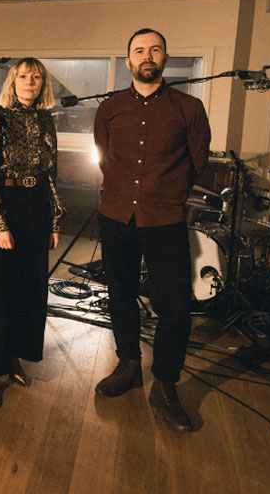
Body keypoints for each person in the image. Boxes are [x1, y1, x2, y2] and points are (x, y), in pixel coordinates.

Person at [93, 28, 211, 432]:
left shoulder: (189, 108)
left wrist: (165, 193)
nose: (147, 56)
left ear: (165, 58)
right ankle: (128, 365)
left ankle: (164, 384)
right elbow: (104, 157)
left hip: (165, 218)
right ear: (128, 61)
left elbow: (197, 162)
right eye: (139, 50)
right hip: (116, 216)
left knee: (174, 306)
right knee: (120, 295)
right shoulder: (109, 109)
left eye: (154, 49)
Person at [0, 59, 64, 408]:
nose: (30, 81)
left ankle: (11, 355)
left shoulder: (46, 120)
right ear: (13, 81)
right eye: (23, 76)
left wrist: (54, 221)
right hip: (8, 205)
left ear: (42, 84)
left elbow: (51, 174)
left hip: (37, 206)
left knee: (31, 291)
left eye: (36, 76)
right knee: (0, 293)